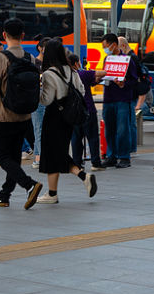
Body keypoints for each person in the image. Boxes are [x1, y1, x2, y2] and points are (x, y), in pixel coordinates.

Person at [0, 18, 44, 210]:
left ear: (4, 35)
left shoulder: (0, 58)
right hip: (24, 117)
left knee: (1, 156)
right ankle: (4, 195)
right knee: (13, 158)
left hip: (4, 116)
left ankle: (29, 185)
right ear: (23, 35)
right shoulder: (30, 58)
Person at [35, 40, 97, 204]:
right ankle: (76, 180)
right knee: (58, 152)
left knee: (51, 153)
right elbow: (82, 91)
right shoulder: (72, 71)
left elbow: (46, 100)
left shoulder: (49, 74)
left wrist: (37, 92)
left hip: (54, 116)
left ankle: (54, 193)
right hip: (69, 118)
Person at [100, 33, 135, 169]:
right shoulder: (106, 59)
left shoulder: (127, 60)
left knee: (122, 129)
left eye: (105, 46)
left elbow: (133, 80)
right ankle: (111, 156)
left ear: (113, 45)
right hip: (108, 98)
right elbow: (104, 75)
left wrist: (124, 84)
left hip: (122, 99)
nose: (104, 49)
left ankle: (124, 157)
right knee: (109, 129)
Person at [67, 53, 103, 172]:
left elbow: (92, 81)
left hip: (72, 112)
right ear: (77, 63)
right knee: (92, 137)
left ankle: (77, 163)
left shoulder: (64, 75)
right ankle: (96, 163)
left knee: (76, 138)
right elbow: (102, 73)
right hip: (87, 110)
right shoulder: (82, 73)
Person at [29, 36, 50, 169]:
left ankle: (38, 157)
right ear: (40, 48)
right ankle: (41, 158)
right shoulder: (34, 63)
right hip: (37, 98)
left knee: (44, 128)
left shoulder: (51, 64)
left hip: (49, 97)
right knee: (38, 127)